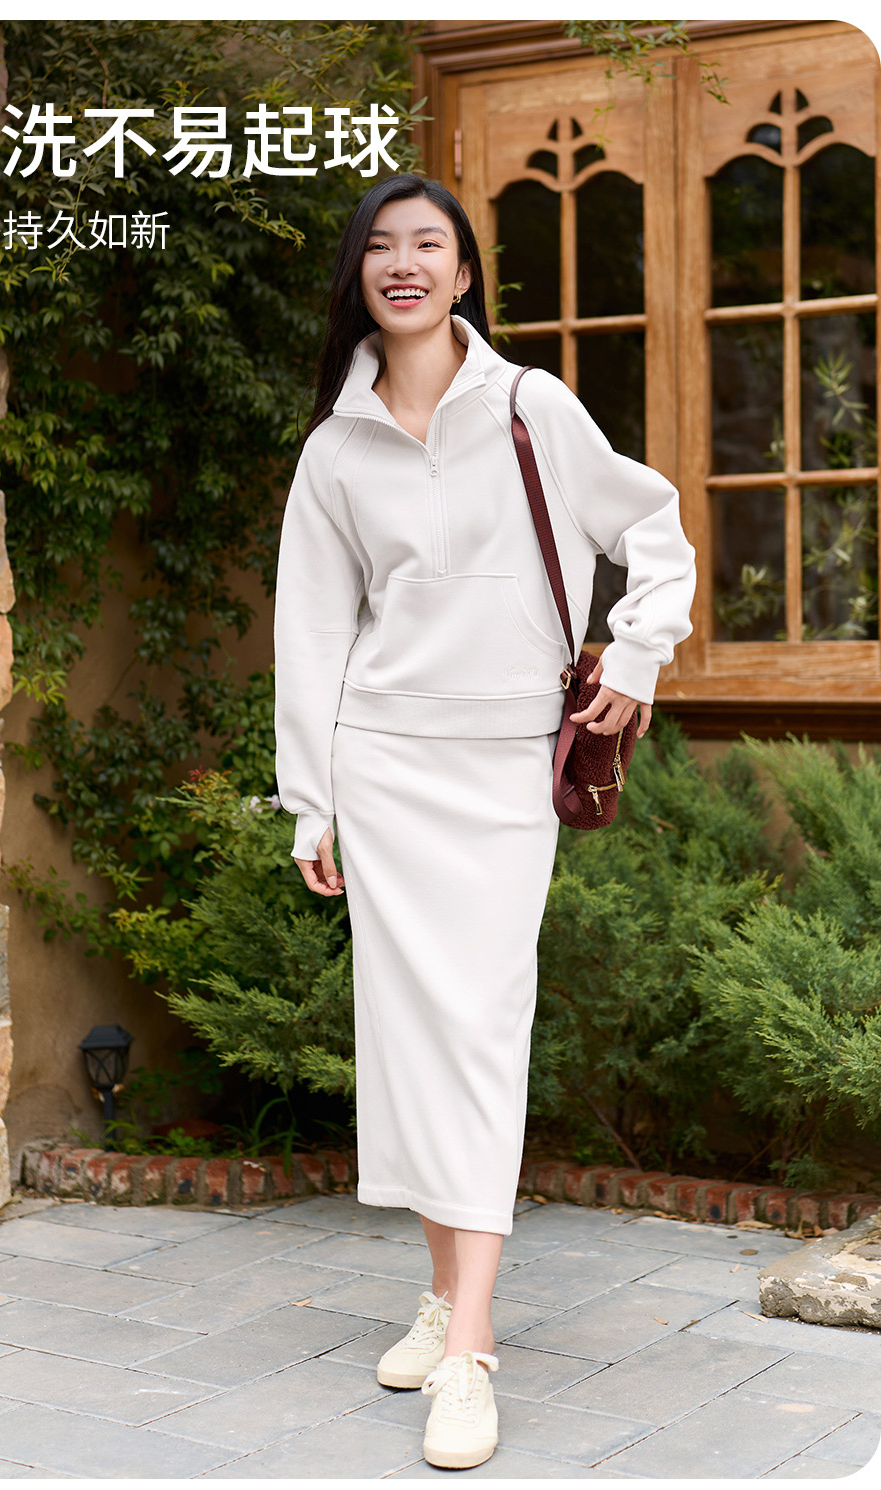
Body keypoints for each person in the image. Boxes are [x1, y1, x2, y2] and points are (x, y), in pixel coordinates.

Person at [272, 172, 696, 1470]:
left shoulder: (531, 407)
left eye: (430, 245)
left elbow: (654, 527)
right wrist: (312, 799)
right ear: (359, 275)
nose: (404, 263)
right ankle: (445, 1294)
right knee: (410, 1038)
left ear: (463, 273)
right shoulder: (336, 451)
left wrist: (636, 657)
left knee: (479, 1029)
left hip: (505, 770)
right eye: (382, 246)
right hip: (383, 768)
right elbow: (312, 631)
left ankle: (469, 1349)